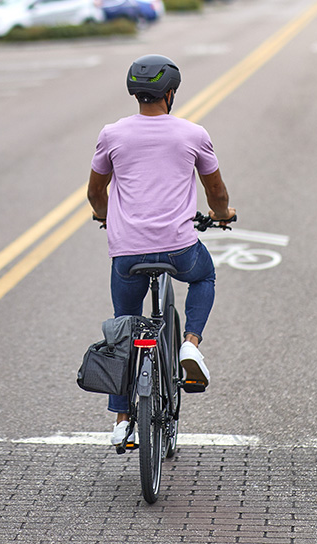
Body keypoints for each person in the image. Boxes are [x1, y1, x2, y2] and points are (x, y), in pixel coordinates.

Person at [87, 54, 235, 447]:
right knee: (204, 275)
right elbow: (215, 191)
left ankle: (121, 419)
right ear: (170, 93)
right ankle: (190, 343)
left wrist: (106, 217)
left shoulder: (112, 134)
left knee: (125, 324)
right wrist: (222, 214)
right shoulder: (192, 134)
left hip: (127, 254)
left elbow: (95, 192)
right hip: (179, 248)